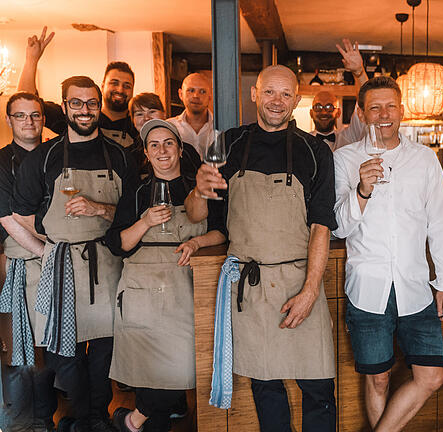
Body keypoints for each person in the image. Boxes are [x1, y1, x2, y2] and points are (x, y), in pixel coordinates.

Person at [191, 65, 337, 431]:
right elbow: (203, 216)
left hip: (300, 281)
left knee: (318, 385)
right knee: (265, 384)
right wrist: (197, 188)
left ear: (297, 100)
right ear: (254, 94)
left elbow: (322, 228)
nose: (277, 101)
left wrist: (309, 291)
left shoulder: (316, 150)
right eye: (269, 92)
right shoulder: (228, 144)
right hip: (250, 285)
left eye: (286, 94)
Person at [11, 75, 137, 432]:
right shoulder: (44, 158)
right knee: (61, 355)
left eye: (91, 103)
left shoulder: (120, 156)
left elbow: (131, 217)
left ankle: (95, 419)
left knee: (102, 353)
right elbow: (22, 213)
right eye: (77, 103)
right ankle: (83, 415)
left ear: (100, 106)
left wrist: (98, 209)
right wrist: (55, 239)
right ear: (64, 106)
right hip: (61, 266)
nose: (85, 110)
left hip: (107, 265)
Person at [333, 76, 443, 430]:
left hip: (416, 287)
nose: (383, 114)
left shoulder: (424, 159)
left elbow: (440, 222)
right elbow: (340, 227)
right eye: (374, 107)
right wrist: (362, 189)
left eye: (390, 106)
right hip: (367, 288)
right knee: (378, 379)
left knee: (432, 377)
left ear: (402, 110)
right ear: (361, 112)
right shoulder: (344, 159)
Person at [104, 119, 222, 432]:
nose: (162, 150)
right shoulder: (138, 191)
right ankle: (142, 423)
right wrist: (144, 222)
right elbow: (118, 244)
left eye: (168, 143)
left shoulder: (196, 189)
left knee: (180, 371)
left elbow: (222, 233)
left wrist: (197, 241)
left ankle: (131, 420)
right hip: (142, 292)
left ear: (181, 150)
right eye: (154, 145)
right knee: (148, 376)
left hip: (184, 292)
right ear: (146, 153)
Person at [0, 92, 56, 432]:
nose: (29, 122)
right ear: (9, 121)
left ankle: (45, 420)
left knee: (49, 351)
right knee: (17, 352)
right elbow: (8, 217)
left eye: (34, 115)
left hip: (55, 261)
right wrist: (45, 250)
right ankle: (20, 424)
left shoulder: (55, 156)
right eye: (20, 116)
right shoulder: (2, 162)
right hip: (16, 261)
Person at [18, 27, 137, 147]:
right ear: (102, 86)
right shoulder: (78, 115)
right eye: (114, 83)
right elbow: (25, 103)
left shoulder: (139, 123)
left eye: (127, 85)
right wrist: (31, 60)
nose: (120, 89)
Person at [309, 39, 368, 151]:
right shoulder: (302, 142)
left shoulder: (350, 136)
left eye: (329, 107)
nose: (323, 112)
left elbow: (365, 103)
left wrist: (359, 72)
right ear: (311, 113)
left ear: (338, 112)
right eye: (318, 107)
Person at [127, 92, 202, 179]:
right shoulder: (128, 155)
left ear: (164, 114)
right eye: (139, 114)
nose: (146, 118)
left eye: (152, 112)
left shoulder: (187, 151)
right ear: (132, 119)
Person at [167, 73, 215, 157]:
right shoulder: (169, 127)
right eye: (191, 90)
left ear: (210, 97)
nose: (196, 95)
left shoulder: (221, 126)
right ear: (180, 94)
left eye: (202, 91)